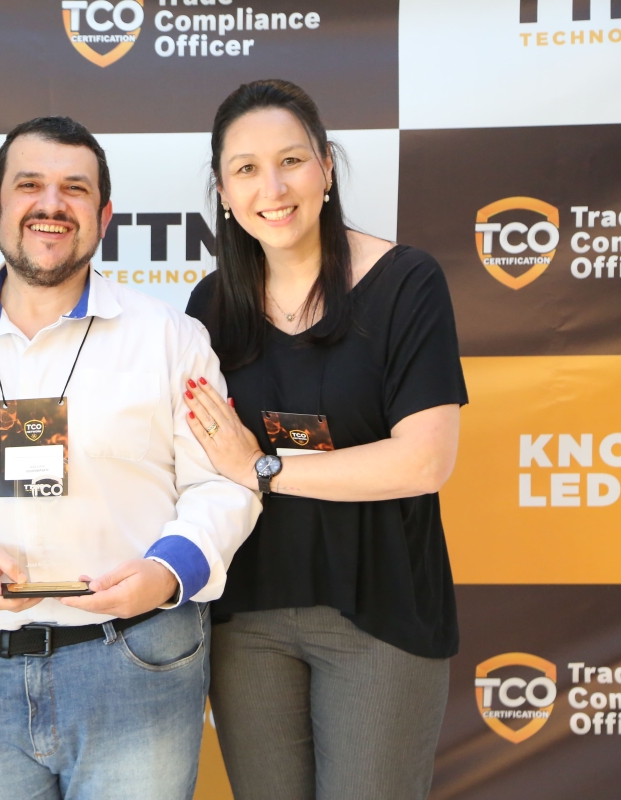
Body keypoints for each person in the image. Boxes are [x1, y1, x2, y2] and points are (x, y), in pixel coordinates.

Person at [0, 116, 259, 799]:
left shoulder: (170, 337)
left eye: (76, 189)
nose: (52, 204)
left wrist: (166, 573)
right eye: (30, 184)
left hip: (136, 661)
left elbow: (224, 485)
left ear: (104, 216)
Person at [182, 79, 466, 800]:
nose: (272, 188)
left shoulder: (406, 283)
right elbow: (193, 462)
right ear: (223, 190)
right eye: (246, 169)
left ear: (327, 167)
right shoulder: (208, 307)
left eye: (292, 161)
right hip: (246, 616)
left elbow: (425, 460)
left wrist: (263, 468)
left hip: (380, 613)